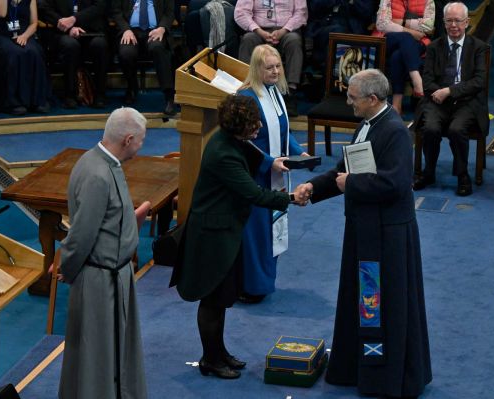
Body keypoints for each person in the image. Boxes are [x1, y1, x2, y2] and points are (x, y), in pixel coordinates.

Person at [295, 69, 431, 398]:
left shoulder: (395, 132)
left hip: (386, 238)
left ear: (372, 99)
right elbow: (344, 169)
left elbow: (395, 184)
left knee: (380, 306)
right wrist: (313, 187)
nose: (348, 102)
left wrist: (350, 184)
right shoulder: (367, 125)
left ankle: (384, 380)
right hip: (366, 230)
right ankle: (356, 369)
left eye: (353, 97)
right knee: (365, 303)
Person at [170, 95, 307, 379]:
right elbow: (254, 194)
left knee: (220, 299)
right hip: (211, 237)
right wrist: (291, 198)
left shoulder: (232, 141)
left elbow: (258, 159)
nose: (258, 126)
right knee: (212, 299)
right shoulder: (224, 154)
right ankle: (210, 359)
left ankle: (219, 352)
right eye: (252, 123)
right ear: (238, 126)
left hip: (223, 231)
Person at [57, 107, 148, 398]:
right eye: (141, 140)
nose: (141, 146)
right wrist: (67, 269)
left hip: (113, 276)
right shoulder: (98, 174)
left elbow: (107, 222)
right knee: (97, 358)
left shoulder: (102, 163)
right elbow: (82, 234)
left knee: (109, 354)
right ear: (128, 139)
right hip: (100, 281)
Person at [237, 44, 307, 303]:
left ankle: (264, 283)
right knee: (256, 234)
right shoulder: (247, 97)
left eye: (278, 66)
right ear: (257, 69)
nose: (276, 71)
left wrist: (299, 152)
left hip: (275, 176)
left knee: (272, 231)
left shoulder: (274, 92)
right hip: (256, 176)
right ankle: (251, 287)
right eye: (270, 67)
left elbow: (282, 129)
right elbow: (243, 141)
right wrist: (269, 162)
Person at [413, 1, 489, 197]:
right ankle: (428, 171)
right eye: (449, 21)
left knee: (457, 129)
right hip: (437, 101)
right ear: (444, 22)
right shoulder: (434, 47)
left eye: (458, 21)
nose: (453, 25)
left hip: (466, 101)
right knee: (430, 128)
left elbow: (479, 81)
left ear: (467, 22)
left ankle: (463, 175)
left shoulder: (479, 47)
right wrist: (439, 93)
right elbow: (427, 79)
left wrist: (450, 91)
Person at [234, 0, 307, 116]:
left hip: (286, 31)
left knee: (294, 41)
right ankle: (247, 91)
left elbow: (301, 13)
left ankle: (289, 92)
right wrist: (258, 30)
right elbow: (241, 12)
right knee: (248, 39)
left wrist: (284, 30)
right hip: (258, 30)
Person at [38, 0, 109, 109]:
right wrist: (66, 26)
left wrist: (74, 19)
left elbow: (100, 7)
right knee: (70, 45)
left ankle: (100, 94)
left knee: (100, 45)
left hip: (90, 29)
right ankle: (69, 95)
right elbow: (43, 8)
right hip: (62, 31)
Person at [111, 0, 177, 115]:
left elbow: (170, 12)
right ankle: (131, 87)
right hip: (130, 31)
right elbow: (116, 12)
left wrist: (162, 28)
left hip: (155, 30)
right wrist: (125, 29)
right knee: (126, 53)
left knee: (158, 48)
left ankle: (169, 96)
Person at [0, 0, 50, 115]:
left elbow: (34, 23)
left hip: (24, 34)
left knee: (34, 52)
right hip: (2, 35)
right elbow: (1, 13)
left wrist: (25, 36)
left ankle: (37, 101)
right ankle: (11, 102)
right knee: (14, 53)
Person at [373, 0, 435, 114]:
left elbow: (429, 26)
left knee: (398, 56)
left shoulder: (428, 1)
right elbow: (382, 24)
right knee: (405, 37)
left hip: (418, 42)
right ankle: (417, 80)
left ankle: (397, 105)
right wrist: (411, 30)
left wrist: (400, 22)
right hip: (389, 40)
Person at [306, 0, 377, 70]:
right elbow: (315, 6)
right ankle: (331, 75)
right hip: (325, 27)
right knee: (338, 32)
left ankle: (330, 75)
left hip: (353, 30)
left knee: (340, 34)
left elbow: (366, 11)